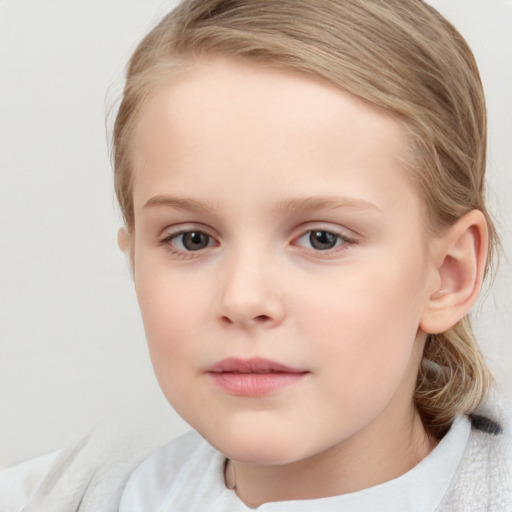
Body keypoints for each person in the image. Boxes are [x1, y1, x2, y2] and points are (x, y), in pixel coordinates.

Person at [1, 0, 510, 510]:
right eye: (192, 239)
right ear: (134, 259)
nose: (243, 299)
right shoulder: (67, 493)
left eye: (322, 239)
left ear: (448, 274)